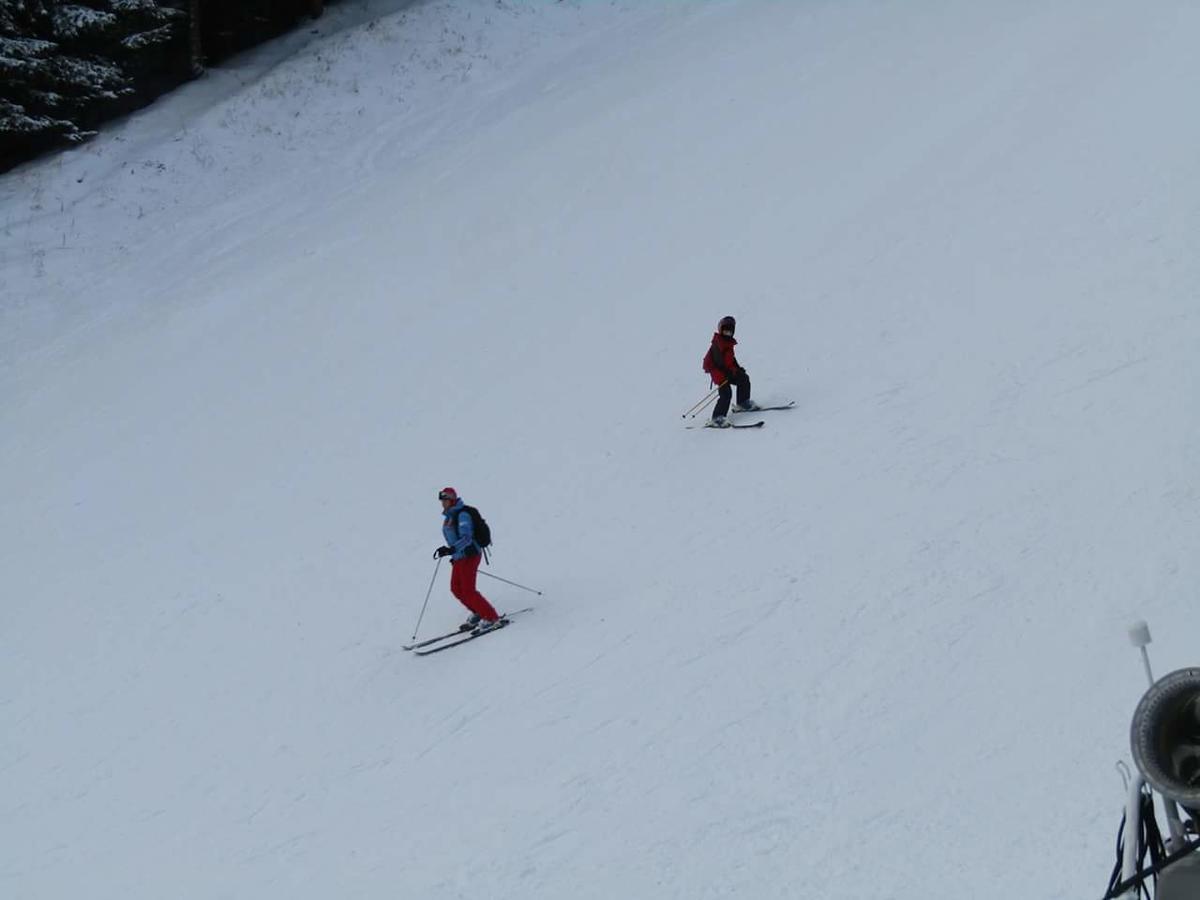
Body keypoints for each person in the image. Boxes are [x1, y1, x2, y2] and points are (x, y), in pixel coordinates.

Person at [433, 487, 503, 632]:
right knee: (456, 589)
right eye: (442, 500)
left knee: (468, 590)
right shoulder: (449, 517)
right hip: (459, 557)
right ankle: (478, 612)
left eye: (445, 500)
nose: (442, 503)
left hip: (470, 555)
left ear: (452, 499)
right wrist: (449, 551)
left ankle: (491, 617)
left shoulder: (462, 515)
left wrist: (452, 549)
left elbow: (467, 538)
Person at [702, 315, 759, 425]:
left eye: (730, 331)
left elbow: (731, 360)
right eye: (725, 331)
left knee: (743, 378)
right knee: (726, 393)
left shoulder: (728, 343)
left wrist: (737, 369)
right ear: (721, 330)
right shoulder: (717, 345)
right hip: (719, 375)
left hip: (728, 372)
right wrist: (723, 375)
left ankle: (743, 403)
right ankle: (717, 418)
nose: (728, 333)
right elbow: (712, 364)